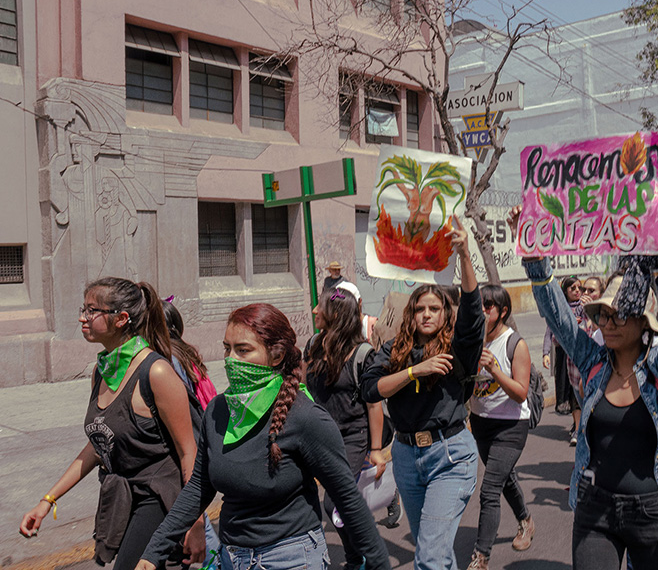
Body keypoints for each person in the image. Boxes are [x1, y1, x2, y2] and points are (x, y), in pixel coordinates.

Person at [136, 303, 390, 570]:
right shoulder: (218, 410)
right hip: (232, 558)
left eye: (243, 350)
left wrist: (377, 564)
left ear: (276, 356)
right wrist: (153, 553)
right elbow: (199, 488)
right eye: (227, 348)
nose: (231, 359)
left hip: (292, 558)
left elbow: (347, 499)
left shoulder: (305, 417)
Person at [512, 204, 658, 570]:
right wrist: (533, 256)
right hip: (595, 508)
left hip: (654, 514)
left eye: (618, 315)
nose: (607, 323)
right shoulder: (594, 363)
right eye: (602, 314)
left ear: (644, 323)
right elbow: (558, 315)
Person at [20, 278, 204, 570]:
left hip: (159, 497)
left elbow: (187, 452)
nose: (83, 317)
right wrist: (47, 500)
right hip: (123, 498)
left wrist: (196, 523)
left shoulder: (155, 372)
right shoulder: (102, 371)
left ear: (120, 319)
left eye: (92, 310)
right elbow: (99, 445)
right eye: (84, 308)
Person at [359, 216, 484, 570]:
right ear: (410, 315)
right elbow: (370, 388)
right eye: (419, 309)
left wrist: (464, 256)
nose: (426, 314)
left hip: (451, 456)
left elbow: (473, 316)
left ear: (445, 314)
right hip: (406, 456)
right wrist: (415, 370)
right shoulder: (394, 350)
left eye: (434, 308)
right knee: (435, 554)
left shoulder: (459, 348)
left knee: (429, 556)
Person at [303, 286, 389, 570]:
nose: (315, 311)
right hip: (322, 435)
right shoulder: (313, 345)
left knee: (334, 503)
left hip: (353, 436)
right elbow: (305, 388)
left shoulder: (362, 353)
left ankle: (358, 557)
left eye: (321, 307)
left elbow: (374, 405)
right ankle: (357, 556)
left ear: (336, 314)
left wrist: (375, 450)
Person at [465, 284, 535, 570]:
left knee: (490, 488)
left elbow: (520, 392)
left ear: (502, 311)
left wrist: (494, 369)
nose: (482, 310)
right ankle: (526, 521)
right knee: (505, 479)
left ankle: (481, 558)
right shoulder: (471, 340)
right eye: (478, 304)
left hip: (511, 426)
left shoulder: (514, 343)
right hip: (481, 423)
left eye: (488, 306)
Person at [162, 299, 220, 569]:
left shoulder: (168, 361)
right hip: (199, 442)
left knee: (194, 523)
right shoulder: (186, 353)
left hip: (187, 448)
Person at [543, 275, 590, 444]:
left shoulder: (586, 306)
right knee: (571, 392)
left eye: (580, 288)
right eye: (573, 288)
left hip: (582, 356)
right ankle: (578, 426)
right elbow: (550, 331)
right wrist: (545, 353)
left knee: (581, 390)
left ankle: (580, 428)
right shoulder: (560, 309)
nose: (578, 291)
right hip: (565, 358)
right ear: (565, 291)